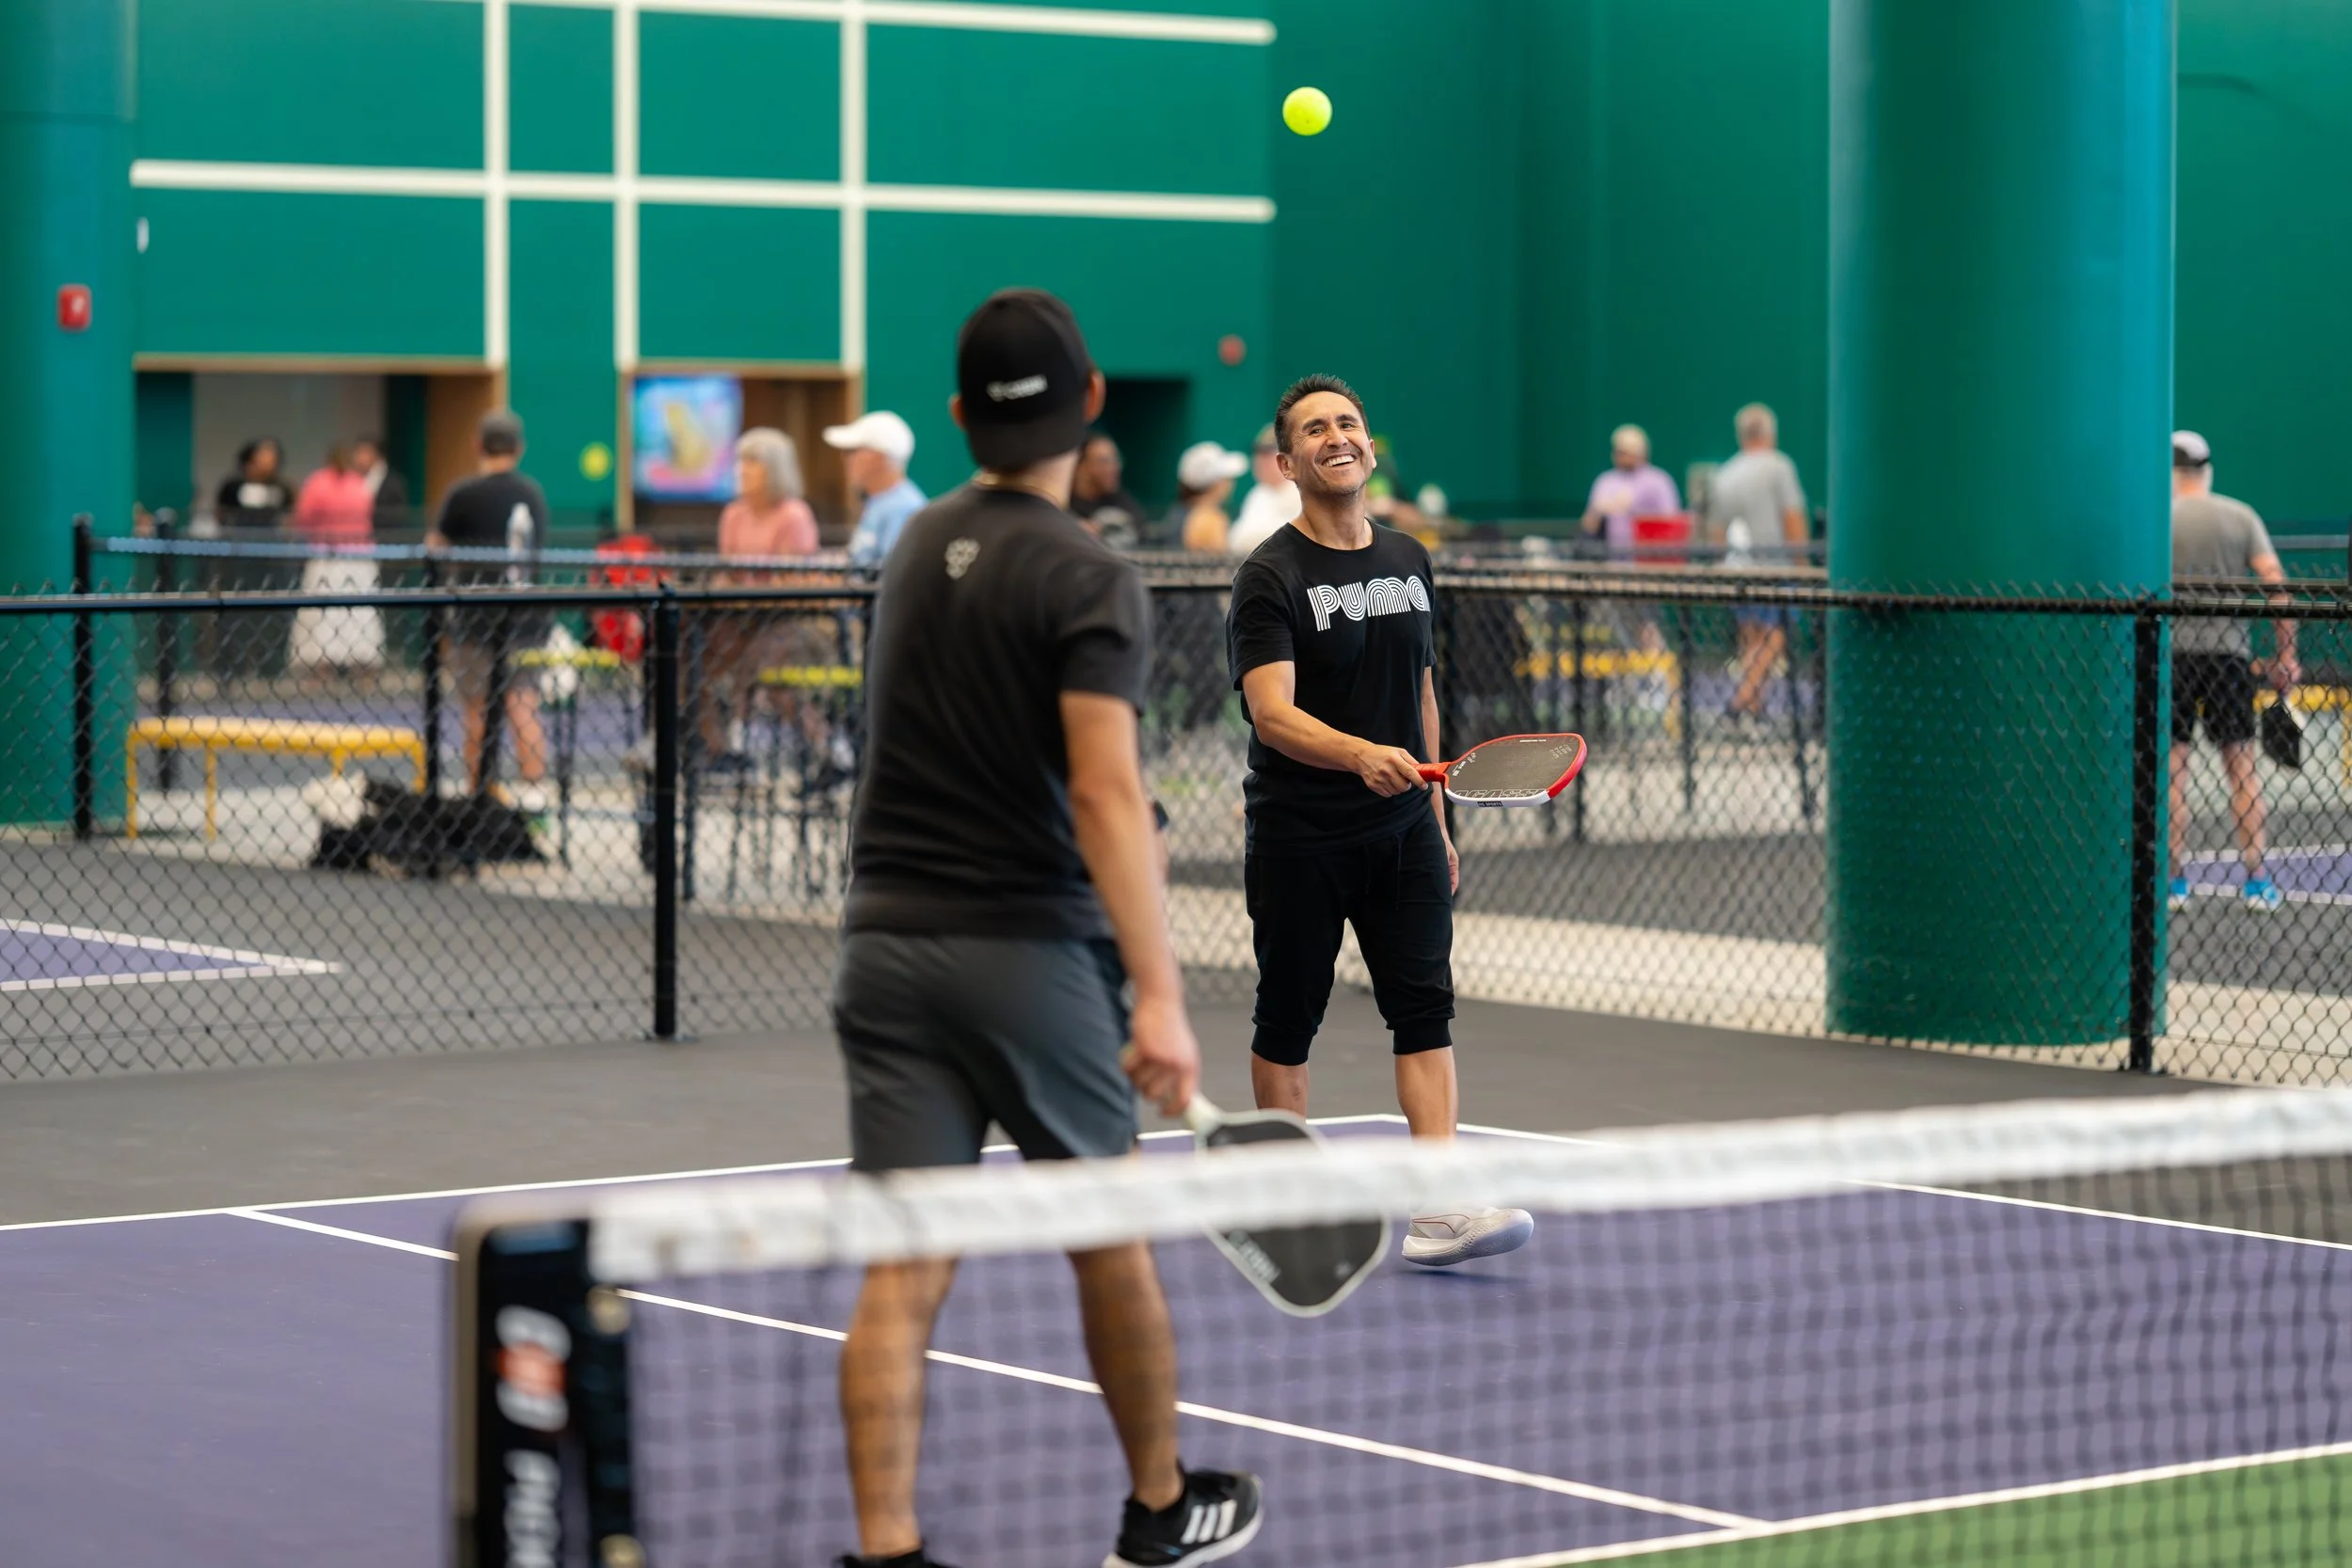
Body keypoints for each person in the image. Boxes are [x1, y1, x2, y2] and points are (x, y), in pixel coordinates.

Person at [833, 288, 1261, 1568]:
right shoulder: (1090, 573)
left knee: (903, 1265)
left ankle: (887, 1550)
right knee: (1108, 1232)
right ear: (1089, 405)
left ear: (960, 416)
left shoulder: (912, 545)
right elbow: (1107, 788)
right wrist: (1160, 992)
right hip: (1024, 950)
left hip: (882, 947)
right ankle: (1158, 1503)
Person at [1225, 373, 1534, 1269]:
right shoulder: (1267, 577)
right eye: (1315, 429)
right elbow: (1272, 714)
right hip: (1300, 833)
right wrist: (1359, 754)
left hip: (1402, 830)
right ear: (1288, 462)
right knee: (1288, 1019)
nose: (1337, 436)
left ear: (1368, 445)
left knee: (1426, 1012)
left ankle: (1437, 1207)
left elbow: (1421, 691)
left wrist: (1435, 815)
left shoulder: (1407, 557)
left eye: (1349, 423)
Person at [2169, 430, 2299, 912]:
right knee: (2242, 769)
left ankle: (2172, 883)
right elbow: (2275, 584)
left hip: (2172, 656)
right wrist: (2286, 656)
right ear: (2207, 470)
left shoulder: (2157, 519)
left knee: (2172, 772)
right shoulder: (2239, 515)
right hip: (2227, 657)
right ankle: (2258, 880)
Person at [428, 410, 549, 800]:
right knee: (523, 704)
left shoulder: (465, 494)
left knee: (476, 710)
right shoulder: (532, 493)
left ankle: (479, 795)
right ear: (519, 448)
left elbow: (436, 545)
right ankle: (535, 797)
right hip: (527, 615)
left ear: (477, 445)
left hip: (478, 616)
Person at [704, 427, 822, 767]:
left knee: (762, 664)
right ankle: (719, 749)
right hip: (737, 619)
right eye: (741, 461)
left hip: (790, 623)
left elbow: (792, 583)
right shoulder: (733, 514)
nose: (743, 469)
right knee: (690, 655)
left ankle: (827, 752)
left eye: (753, 462)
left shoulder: (794, 515)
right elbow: (728, 573)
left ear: (776, 469)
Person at [1704, 404, 1809, 721]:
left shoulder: (1725, 474)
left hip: (1738, 569)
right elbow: (1793, 518)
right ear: (1769, 433)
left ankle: (1752, 707)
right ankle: (1740, 700)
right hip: (1774, 569)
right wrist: (1801, 563)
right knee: (1775, 635)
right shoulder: (1779, 467)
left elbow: (1716, 531)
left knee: (1752, 638)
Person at [288, 445, 385, 680]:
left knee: (324, 611)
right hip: (358, 556)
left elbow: (304, 518)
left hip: (327, 556)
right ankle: (362, 666)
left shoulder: (318, 483)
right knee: (359, 610)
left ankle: (322, 668)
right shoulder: (359, 484)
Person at [828, 411, 925, 574]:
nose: (844, 458)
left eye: (852, 451)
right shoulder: (878, 502)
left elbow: (891, 578)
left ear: (877, 456)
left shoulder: (903, 508)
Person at [1580, 423, 1678, 561]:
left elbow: (1671, 521)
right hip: (1613, 559)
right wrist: (1599, 511)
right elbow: (1588, 524)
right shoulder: (1605, 481)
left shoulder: (1659, 481)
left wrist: (1637, 513)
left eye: (1627, 451)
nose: (1622, 456)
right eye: (1619, 451)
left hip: (1650, 560)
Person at [1226, 423, 1299, 557]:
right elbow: (1236, 540)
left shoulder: (1303, 492)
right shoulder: (1258, 493)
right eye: (1258, 453)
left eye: (1267, 454)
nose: (1259, 460)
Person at [1071, 432, 1144, 548]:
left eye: (1115, 460)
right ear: (1082, 466)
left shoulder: (1120, 501)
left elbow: (1139, 528)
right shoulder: (1064, 505)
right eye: (1104, 462)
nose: (1113, 468)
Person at [1175, 441, 1247, 554]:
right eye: (1227, 478)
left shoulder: (1179, 514)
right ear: (1217, 483)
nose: (1231, 484)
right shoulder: (1210, 517)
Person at [214, 437, 292, 531]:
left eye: (273, 459)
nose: (270, 463)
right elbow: (221, 515)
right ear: (249, 462)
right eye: (263, 457)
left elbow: (288, 519)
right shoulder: (232, 488)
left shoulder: (283, 490)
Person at [349, 436, 411, 534]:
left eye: (362, 452)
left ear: (376, 455)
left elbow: (398, 517)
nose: (357, 458)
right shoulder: (352, 480)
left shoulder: (394, 483)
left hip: (384, 542)